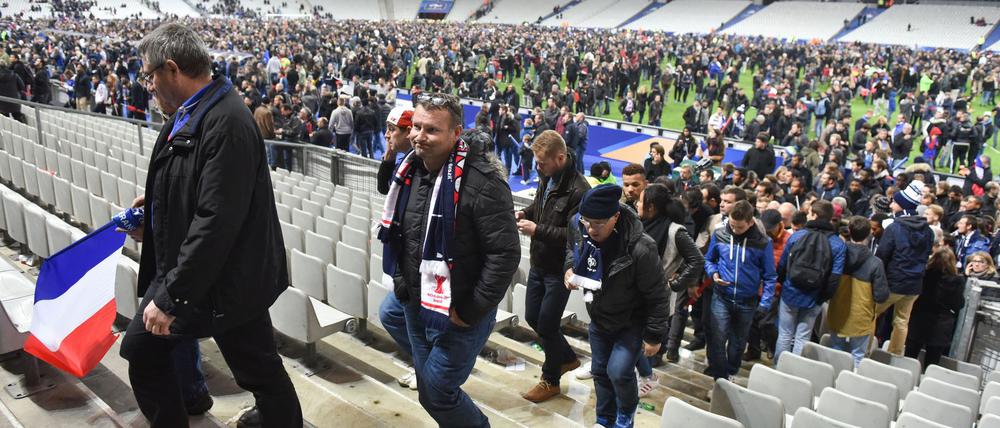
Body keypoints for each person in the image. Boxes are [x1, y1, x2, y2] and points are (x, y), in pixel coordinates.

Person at [119, 23, 302, 428]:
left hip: (225, 281)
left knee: (257, 370)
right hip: (207, 275)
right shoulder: (194, 111)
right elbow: (197, 190)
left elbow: (216, 220)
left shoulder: (227, 122)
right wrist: (155, 213)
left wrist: (171, 297)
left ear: (172, 70)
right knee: (151, 354)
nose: (147, 84)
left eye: (149, 75)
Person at [378, 93, 519, 427]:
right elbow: (403, 235)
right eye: (416, 127)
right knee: (432, 392)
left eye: (431, 130)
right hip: (416, 302)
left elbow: (505, 254)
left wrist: (470, 310)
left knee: (437, 392)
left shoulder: (484, 182)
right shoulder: (409, 170)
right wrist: (402, 284)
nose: (418, 136)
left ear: (456, 133)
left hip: (460, 311)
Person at [564, 184, 668, 428]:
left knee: (619, 372)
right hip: (599, 316)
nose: (591, 228)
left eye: (599, 223)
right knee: (600, 371)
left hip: (631, 321)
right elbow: (572, 248)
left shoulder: (642, 248)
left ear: (616, 217)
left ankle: (625, 416)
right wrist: (569, 269)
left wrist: (653, 335)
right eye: (587, 221)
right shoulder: (577, 224)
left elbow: (657, 295)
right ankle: (604, 419)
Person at [516, 130, 590, 403]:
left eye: (542, 163)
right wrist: (527, 213)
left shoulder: (580, 191)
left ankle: (551, 380)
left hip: (561, 269)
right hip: (539, 262)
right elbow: (541, 203)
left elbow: (575, 236)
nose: (538, 167)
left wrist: (537, 229)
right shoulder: (548, 176)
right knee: (533, 317)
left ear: (560, 158)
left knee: (546, 324)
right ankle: (568, 357)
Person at [703, 200, 776, 379]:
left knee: (737, 344)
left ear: (751, 222)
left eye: (739, 227)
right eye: (732, 225)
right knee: (718, 341)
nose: (734, 230)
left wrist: (765, 304)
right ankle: (720, 380)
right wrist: (713, 274)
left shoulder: (763, 243)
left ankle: (731, 373)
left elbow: (770, 276)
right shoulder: (720, 234)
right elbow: (709, 260)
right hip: (721, 297)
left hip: (747, 301)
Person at [636, 183, 704, 367]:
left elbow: (697, 261)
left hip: (656, 298)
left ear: (651, 207)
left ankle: (646, 375)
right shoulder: (637, 224)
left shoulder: (675, 231)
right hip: (633, 294)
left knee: (648, 348)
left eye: (640, 201)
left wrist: (676, 284)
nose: (637, 204)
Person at [774, 199, 846, 363]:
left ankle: (779, 369)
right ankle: (794, 371)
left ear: (813, 215)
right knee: (802, 336)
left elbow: (783, 265)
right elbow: (835, 278)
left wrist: (785, 284)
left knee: (785, 334)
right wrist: (822, 297)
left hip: (790, 292)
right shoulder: (837, 244)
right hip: (815, 296)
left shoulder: (797, 236)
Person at [874, 180, 934, 355]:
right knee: (901, 322)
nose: (891, 204)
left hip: (893, 282)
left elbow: (882, 255)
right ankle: (895, 354)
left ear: (901, 205)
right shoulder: (928, 231)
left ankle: (864, 350)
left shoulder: (895, 227)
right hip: (914, 285)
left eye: (894, 201)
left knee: (870, 314)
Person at [826, 216, 890, 367]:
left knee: (836, 352)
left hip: (837, 311)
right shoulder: (875, 263)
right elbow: (881, 296)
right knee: (858, 356)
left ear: (849, 231)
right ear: (869, 234)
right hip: (861, 315)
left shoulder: (838, 255)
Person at [905, 248, 966, 368]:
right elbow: (959, 304)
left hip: (919, 320)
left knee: (909, 358)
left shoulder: (923, 275)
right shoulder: (956, 280)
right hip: (941, 324)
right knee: (931, 364)